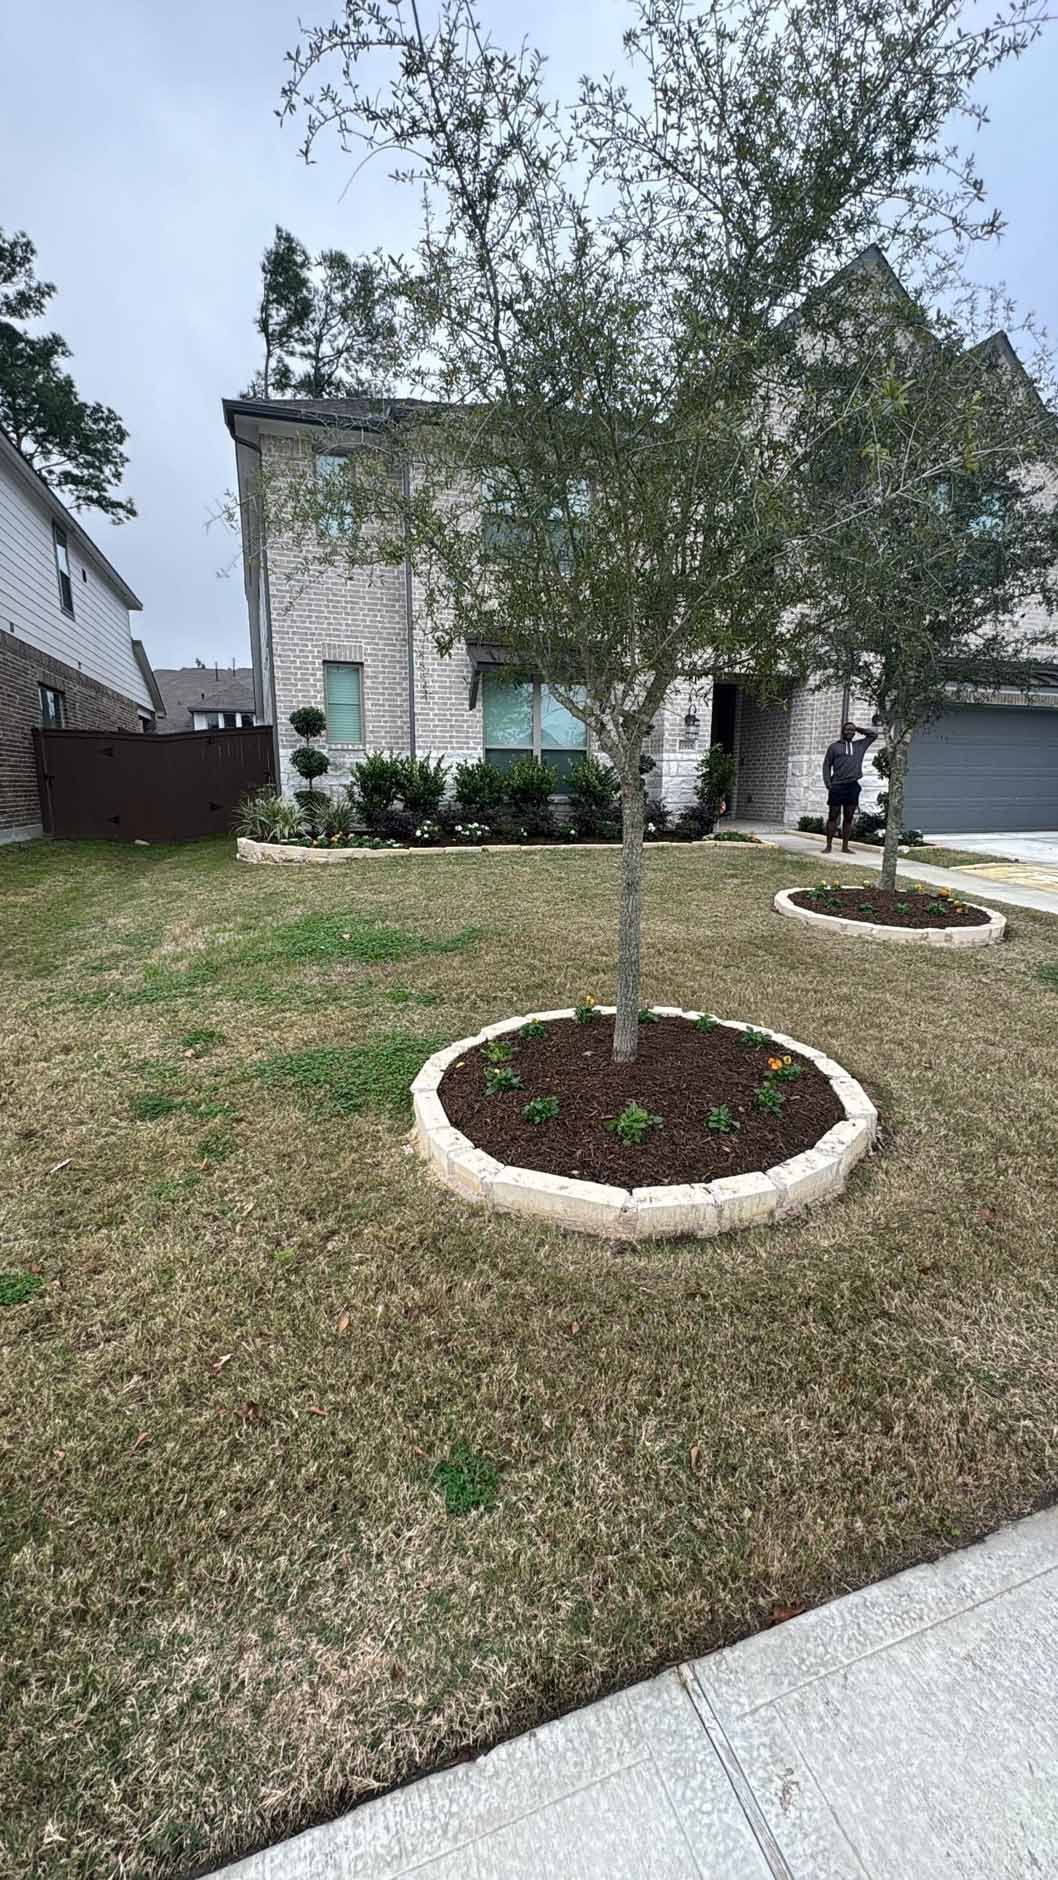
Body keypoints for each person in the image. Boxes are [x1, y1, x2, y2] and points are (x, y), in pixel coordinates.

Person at [821, 719, 879, 854]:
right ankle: (828, 846)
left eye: (852, 730)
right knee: (833, 816)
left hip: (852, 786)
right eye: (847, 729)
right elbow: (826, 765)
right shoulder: (834, 747)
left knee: (849, 818)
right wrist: (828, 783)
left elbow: (873, 735)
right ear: (842, 731)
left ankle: (845, 847)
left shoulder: (860, 745)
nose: (850, 732)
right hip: (837, 786)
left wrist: (857, 728)